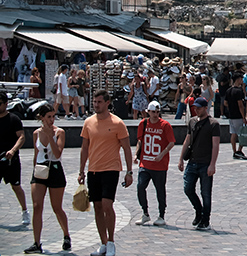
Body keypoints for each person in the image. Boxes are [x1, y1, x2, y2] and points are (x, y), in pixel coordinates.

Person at [78, 89, 134, 256]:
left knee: (107, 206)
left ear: (107, 103)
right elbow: (84, 148)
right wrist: (81, 171)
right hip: (93, 170)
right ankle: (102, 242)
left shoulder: (117, 123)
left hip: (111, 169)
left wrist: (129, 171)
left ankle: (111, 242)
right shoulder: (88, 122)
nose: (96, 105)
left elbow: (126, 148)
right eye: (94, 102)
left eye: (99, 102)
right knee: (97, 207)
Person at [25, 104, 71, 254]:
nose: (52, 120)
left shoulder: (59, 132)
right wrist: (34, 170)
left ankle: (66, 235)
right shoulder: (36, 133)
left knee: (56, 207)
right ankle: (36, 242)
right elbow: (35, 153)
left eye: (53, 116)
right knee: (37, 206)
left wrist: (50, 135)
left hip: (55, 169)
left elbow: (57, 154)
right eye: (49, 117)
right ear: (42, 118)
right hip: (39, 169)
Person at [177, 97, 221, 231]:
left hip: (205, 163)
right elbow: (187, 139)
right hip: (192, 162)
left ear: (205, 108)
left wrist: (212, 164)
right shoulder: (192, 122)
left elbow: (215, 145)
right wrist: (180, 159)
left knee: (206, 193)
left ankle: (205, 220)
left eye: (199, 108)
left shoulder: (213, 124)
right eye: (195, 108)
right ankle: (198, 210)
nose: (196, 110)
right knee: (188, 188)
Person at [134, 101, 175, 227]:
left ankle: (161, 215)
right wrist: (136, 154)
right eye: (153, 112)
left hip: (159, 165)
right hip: (145, 163)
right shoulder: (144, 123)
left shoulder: (165, 125)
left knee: (160, 190)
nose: (155, 114)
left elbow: (171, 142)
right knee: (140, 186)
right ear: (148, 112)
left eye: (157, 112)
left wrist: (162, 154)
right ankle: (145, 213)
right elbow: (140, 141)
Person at [0, 92, 30, 227]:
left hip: (11, 159)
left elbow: (21, 137)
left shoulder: (14, 119)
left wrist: (13, 150)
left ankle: (25, 210)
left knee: (16, 186)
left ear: (6, 104)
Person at [224, 74, 247, 160]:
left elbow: (225, 103)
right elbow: (240, 104)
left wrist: (230, 107)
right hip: (238, 115)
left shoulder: (229, 90)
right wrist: (244, 116)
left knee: (233, 133)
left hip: (231, 115)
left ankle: (234, 151)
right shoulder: (238, 91)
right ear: (238, 79)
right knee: (242, 134)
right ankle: (239, 150)